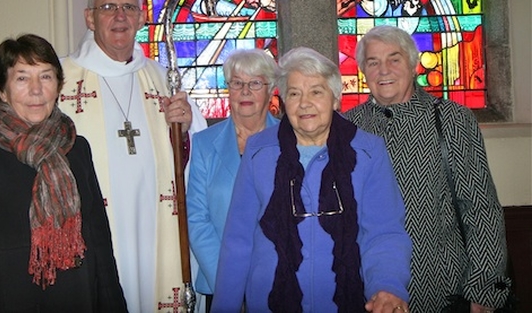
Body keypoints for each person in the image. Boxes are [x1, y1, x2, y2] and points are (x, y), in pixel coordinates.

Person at [212, 47, 411, 312]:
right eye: (294, 93)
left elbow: (383, 232)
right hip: (270, 302)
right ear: (284, 101)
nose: (305, 103)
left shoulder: (368, 151)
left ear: (335, 99)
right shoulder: (258, 151)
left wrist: (387, 286)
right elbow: (238, 239)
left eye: (316, 91)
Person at [0, 34, 127, 312]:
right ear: (2, 90)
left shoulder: (77, 149)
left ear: (58, 86)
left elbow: (99, 244)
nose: (36, 90)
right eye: (22, 78)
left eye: (46, 77)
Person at [58, 0, 207, 312]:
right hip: (91, 229)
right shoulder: (61, 81)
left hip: (155, 228)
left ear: (141, 17)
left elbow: (200, 164)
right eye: (108, 7)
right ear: (90, 17)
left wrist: (184, 133)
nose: (120, 16)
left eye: (128, 7)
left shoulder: (162, 79)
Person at [345, 25, 511, 312]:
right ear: (363, 71)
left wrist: (484, 288)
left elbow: (480, 206)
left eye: (394, 59)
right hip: (370, 293)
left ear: (413, 65)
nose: (383, 70)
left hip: (442, 287)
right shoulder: (347, 128)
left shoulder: (451, 119)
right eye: (373, 62)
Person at [187, 48, 279, 310]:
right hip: (221, 281)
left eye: (255, 83)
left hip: (278, 281)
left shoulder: (290, 140)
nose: (245, 91)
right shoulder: (204, 144)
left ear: (271, 89)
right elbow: (197, 218)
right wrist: (229, 281)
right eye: (237, 83)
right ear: (228, 89)